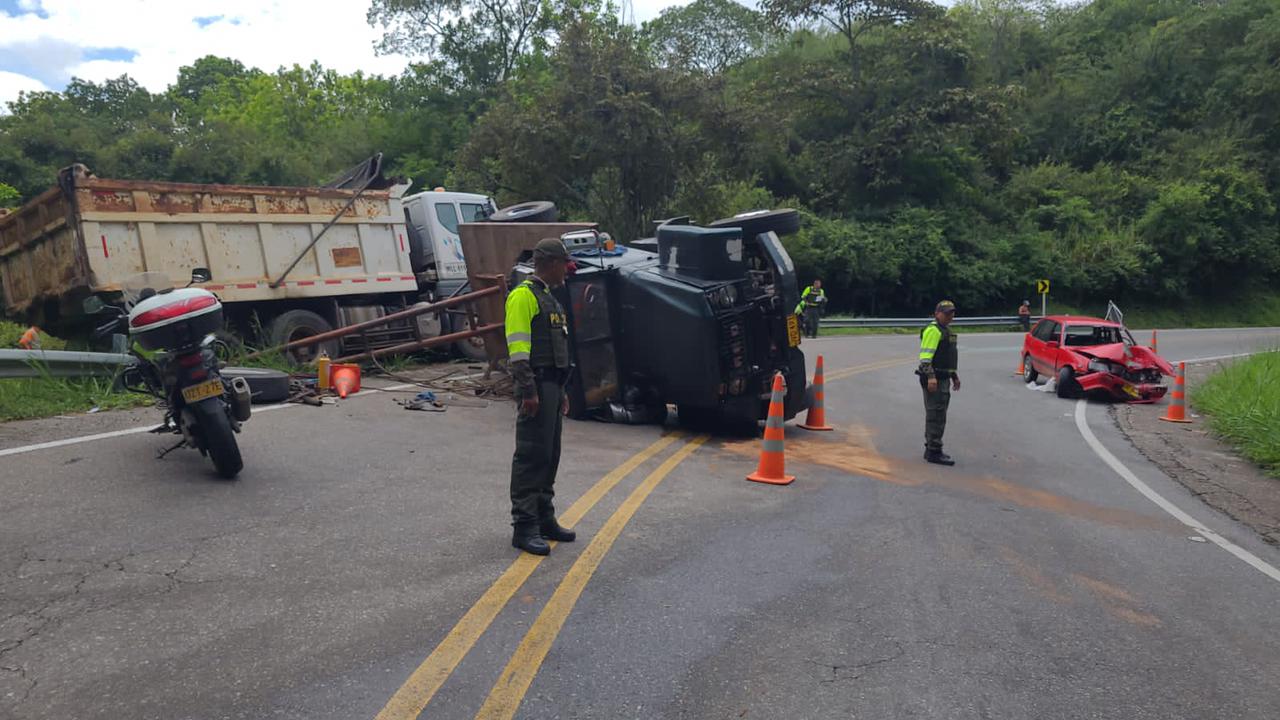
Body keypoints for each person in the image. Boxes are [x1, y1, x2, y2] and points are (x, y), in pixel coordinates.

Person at [505, 238, 576, 556]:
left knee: (549, 456)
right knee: (531, 456)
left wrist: (560, 391)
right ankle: (524, 527)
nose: (568, 268)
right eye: (565, 262)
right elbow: (518, 351)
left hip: (551, 386)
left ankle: (545, 519)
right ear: (549, 263)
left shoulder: (549, 297)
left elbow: (557, 351)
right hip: (536, 386)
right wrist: (529, 391)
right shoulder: (523, 297)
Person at [917, 300, 960, 466]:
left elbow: (947, 359)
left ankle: (932, 448)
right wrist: (931, 377)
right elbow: (925, 359)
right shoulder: (933, 331)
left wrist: (954, 376)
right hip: (934, 379)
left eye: (952, 313)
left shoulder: (945, 331)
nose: (950, 316)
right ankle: (934, 450)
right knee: (936, 415)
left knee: (939, 414)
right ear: (937, 313)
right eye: (947, 313)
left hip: (943, 377)